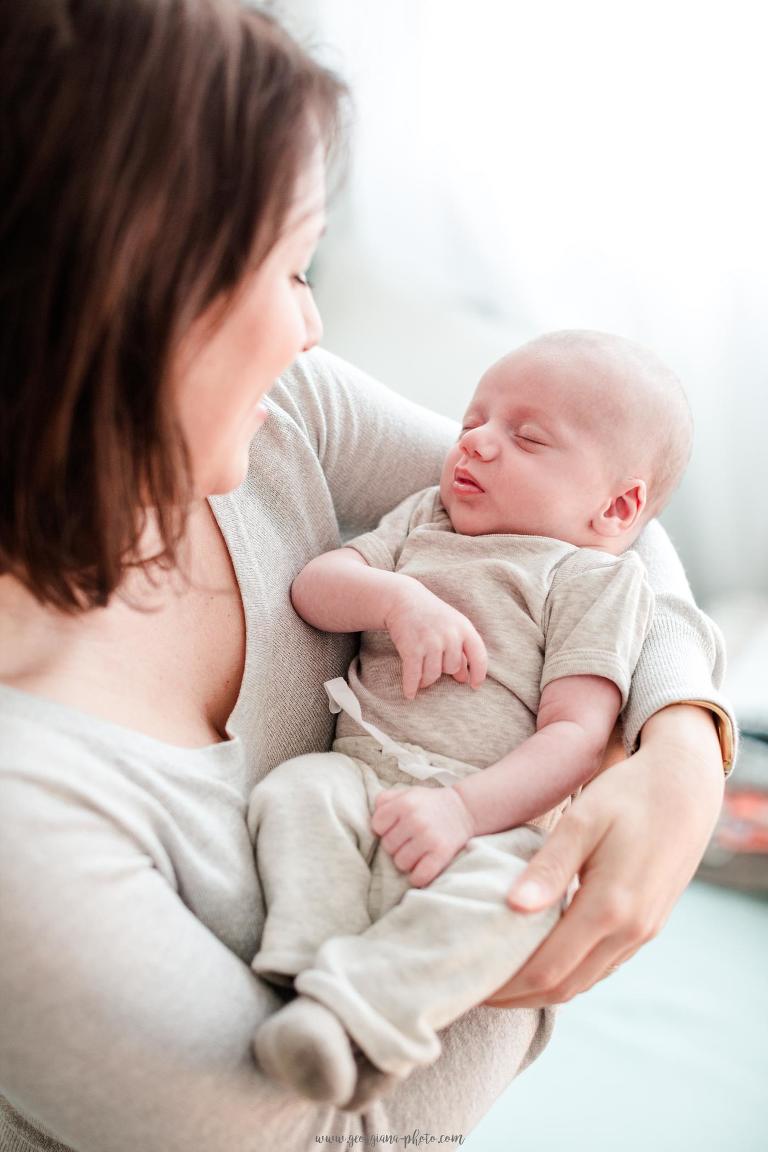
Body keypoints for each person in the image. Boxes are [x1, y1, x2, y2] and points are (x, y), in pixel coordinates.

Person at [0, 2, 733, 1150]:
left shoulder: (284, 414)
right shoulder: (27, 820)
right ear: (129, 290)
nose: (313, 324)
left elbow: (611, 536)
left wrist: (685, 747)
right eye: (291, 266)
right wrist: (512, 939)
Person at [249, 330, 692, 1106]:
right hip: (358, 773)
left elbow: (577, 738)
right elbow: (315, 589)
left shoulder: (594, 581)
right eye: (472, 421)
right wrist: (397, 596)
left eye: (525, 437)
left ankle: (367, 1012)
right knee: (294, 793)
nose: (477, 442)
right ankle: (310, 977)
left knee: (521, 898)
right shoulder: (426, 517)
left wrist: (463, 810)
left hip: (488, 819)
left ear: (616, 507)